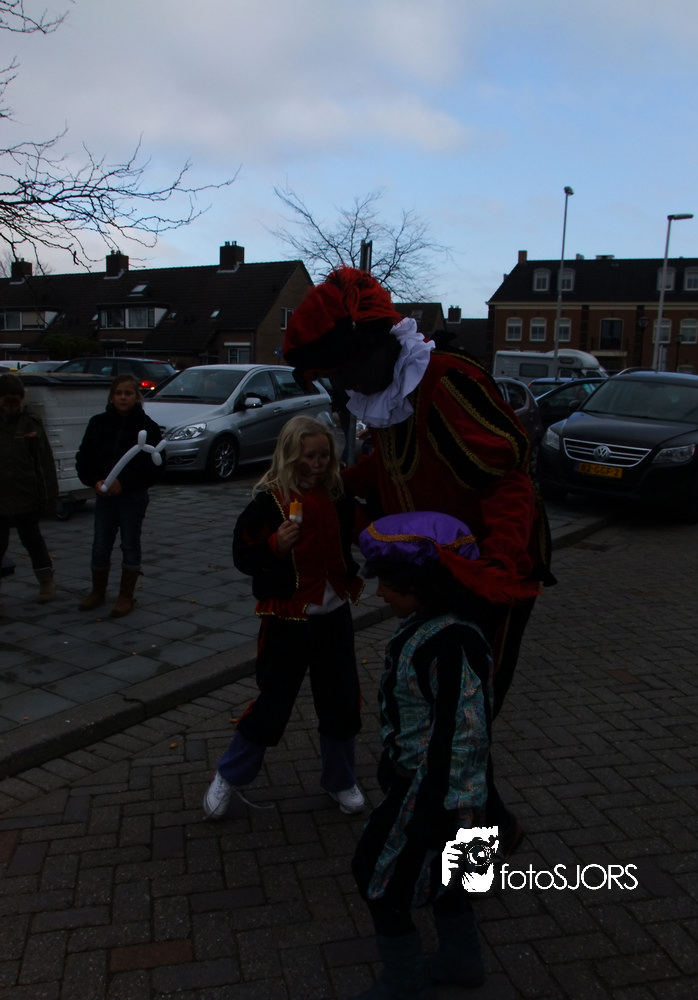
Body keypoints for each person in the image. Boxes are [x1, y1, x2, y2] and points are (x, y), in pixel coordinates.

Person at [282, 266, 555, 718]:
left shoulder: (446, 382)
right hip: (431, 562)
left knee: (471, 695)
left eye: (347, 371)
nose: (346, 384)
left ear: (377, 346)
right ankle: (425, 756)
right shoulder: (387, 393)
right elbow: (391, 466)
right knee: (430, 681)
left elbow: (506, 479)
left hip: (484, 562)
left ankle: (461, 763)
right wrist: (332, 484)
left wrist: (496, 565)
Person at [350, 511, 522, 999]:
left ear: (423, 585)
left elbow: (465, 735)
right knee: (457, 880)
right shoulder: (429, 626)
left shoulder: (454, 643)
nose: (380, 594)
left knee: (377, 874)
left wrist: (437, 808)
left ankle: (406, 981)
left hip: (440, 794)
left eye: (389, 585)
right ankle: (461, 961)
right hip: (446, 788)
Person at [202, 414, 366, 820]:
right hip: (287, 619)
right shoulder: (268, 501)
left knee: (341, 700)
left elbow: (364, 531)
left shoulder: (338, 494)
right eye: (310, 456)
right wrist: (275, 545)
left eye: (324, 455)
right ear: (291, 455)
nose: (318, 464)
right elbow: (243, 556)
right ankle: (229, 774)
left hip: (333, 614)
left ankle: (340, 779)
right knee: (274, 702)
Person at [75, 373, 163, 617]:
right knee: (100, 544)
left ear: (137, 397)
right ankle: (98, 591)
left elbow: (155, 467)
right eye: (119, 393)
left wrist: (125, 483)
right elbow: (84, 459)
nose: (123, 397)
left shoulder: (148, 427)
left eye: (128, 393)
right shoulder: (98, 423)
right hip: (104, 497)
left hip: (132, 497)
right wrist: (95, 480)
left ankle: (126, 595)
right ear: (111, 396)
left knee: (130, 543)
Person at [0, 372, 58, 607]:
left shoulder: (30, 423)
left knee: (32, 540)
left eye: (16, 402)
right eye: (6, 402)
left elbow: (44, 463)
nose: (12, 408)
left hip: (25, 494)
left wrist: (48, 498)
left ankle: (46, 581)